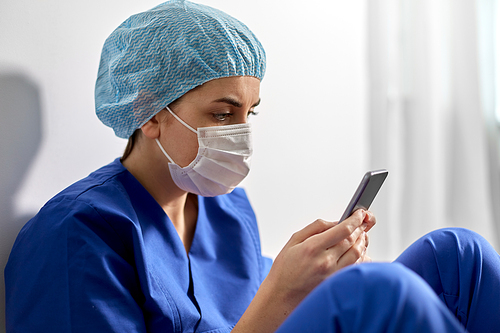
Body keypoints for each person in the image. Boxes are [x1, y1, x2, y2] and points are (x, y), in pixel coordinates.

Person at [4, 1, 500, 332]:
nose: (241, 132)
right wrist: (281, 293)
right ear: (148, 113)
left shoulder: (225, 206)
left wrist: (318, 273)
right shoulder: (76, 235)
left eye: (249, 113)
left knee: (459, 253)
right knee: (379, 291)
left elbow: (243, 291)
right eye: (222, 114)